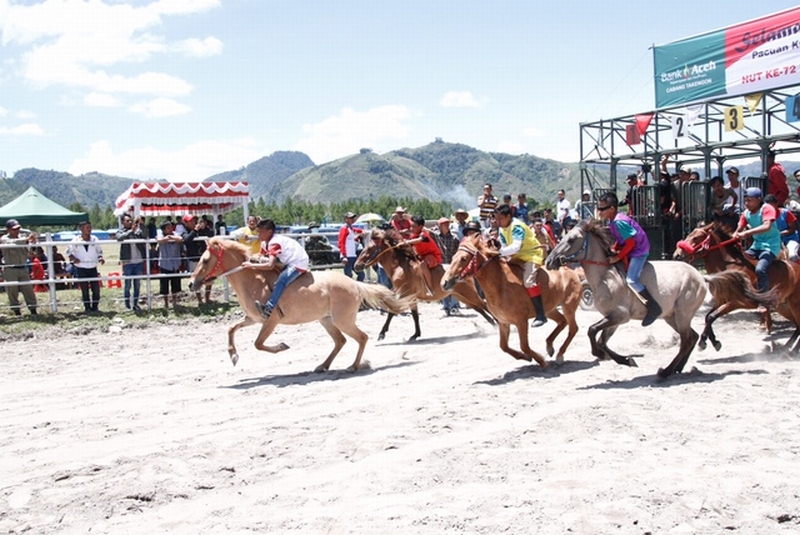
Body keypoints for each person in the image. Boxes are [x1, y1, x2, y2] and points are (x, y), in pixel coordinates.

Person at [596, 193, 662, 326]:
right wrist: (615, 248)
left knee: (631, 280)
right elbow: (621, 240)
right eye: (599, 208)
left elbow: (631, 243)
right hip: (632, 248)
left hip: (639, 251)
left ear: (612, 209)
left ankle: (653, 307)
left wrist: (617, 257)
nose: (599, 211)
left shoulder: (619, 222)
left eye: (602, 209)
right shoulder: (613, 221)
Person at [493, 204, 548, 327]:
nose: (497, 221)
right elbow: (504, 245)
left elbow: (516, 247)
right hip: (516, 256)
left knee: (528, 282)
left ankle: (540, 314)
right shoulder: (502, 228)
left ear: (508, 216)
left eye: (500, 219)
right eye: (496, 219)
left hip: (531, 255)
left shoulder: (517, 226)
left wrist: (500, 252)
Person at [249, 218, 310, 320]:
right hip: (290, 261)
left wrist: (251, 266)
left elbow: (270, 265)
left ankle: (269, 308)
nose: (258, 234)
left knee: (282, 280)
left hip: (298, 262)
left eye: (261, 232)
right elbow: (259, 255)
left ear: (269, 232)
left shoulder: (274, 243)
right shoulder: (265, 243)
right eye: (258, 232)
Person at [733, 187, 781, 303]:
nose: (746, 203)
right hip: (757, 246)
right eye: (745, 200)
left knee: (760, 269)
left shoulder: (767, 208)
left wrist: (747, 232)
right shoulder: (746, 213)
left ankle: (764, 299)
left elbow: (767, 226)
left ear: (759, 200)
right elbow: (738, 228)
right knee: (740, 263)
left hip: (771, 246)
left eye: (749, 200)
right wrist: (735, 234)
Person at [1, 220, 38, 315]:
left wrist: (33, 244)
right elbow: (10, 242)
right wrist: (26, 240)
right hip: (10, 268)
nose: (17, 231)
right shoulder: (4, 238)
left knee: (28, 290)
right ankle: (16, 311)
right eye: (14, 229)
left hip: (23, 267)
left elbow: (30, 252)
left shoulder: (22, 238)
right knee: (12, 291)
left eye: (18, 228)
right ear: (8, 230)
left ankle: (33, 309)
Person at [67, 220, 105, 313]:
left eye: (90, 227)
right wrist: (74, 259)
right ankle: (87, 308)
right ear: (81, 229)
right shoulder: (75, 240)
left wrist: (100, 258)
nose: (89, 229)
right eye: (87, 227)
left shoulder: (94, 239)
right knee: (84, 289)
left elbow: (99, 251)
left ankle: (95, 307)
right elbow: (69, 252)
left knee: (96, 289)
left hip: (92, 267)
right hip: (81, 267)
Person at [403, 215, 442, 297]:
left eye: (414, 226)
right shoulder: (413, 236)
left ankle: (430, 288)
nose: (411, 228)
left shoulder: (424, 234)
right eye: (411, 226)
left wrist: (406, 242)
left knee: (423, 265)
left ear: (420, 226)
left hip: (433, 256)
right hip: (422, 256)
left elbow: (418, 240)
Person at [116, 213, 146, 311]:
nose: (129, 222)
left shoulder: (137, 231)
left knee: (137, 285)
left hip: (138, 261)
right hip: (128, 262)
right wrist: (130, 231)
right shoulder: (121, 231)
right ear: (122, 222)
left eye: (130, 220)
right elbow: (119, 237)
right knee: (127, 284)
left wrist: (141, 224)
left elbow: (145, 234)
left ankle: (135, 304)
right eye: (127, 221)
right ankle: (127, 305)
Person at [182, 214, 213, 304]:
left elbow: (211, 234)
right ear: (186, 223)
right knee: (196, 279)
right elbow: (187, 240)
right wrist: (195, 231)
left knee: (209, 278)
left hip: (204, 258)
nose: (193, 222)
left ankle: (207, 298)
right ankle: (200, 300)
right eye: (190, 221)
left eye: (194, 220)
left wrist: (204, 228)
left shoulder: (202, 231)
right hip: (194, 259)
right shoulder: (185, 232)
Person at [433, 216, 461, 315]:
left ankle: (454, 306)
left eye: (447, 224)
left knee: (454, 285)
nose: (446, 226)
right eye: (443, 224)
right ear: (439, 226)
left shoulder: (454, 237)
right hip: (441, 264)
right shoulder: (436, 236)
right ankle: (446, 306)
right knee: (443, 285)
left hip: (451, 264)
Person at [765, 193, 800, 261]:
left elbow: (792, 229)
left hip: (790, 239)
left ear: (777, 204)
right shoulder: (764, 215)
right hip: (774, 240)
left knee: (792, 255)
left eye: (772, 205)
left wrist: (780, 233)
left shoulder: (785, 213)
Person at [157, 221, 183, 308]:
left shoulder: (175, 234)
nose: (170, 229)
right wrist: (168, 238)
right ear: (163, 230)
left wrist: (170, 237)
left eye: (171, 227)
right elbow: (160, 240)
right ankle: (166, 303)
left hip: (175, 264)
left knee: (175, 284)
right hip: (165, 264)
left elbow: (180, 239)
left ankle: (175, 302)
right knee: (164, 285)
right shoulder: (160, 234)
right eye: (168, 228)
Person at [338, 211, 364, 281]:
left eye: (353, 218)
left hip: (352, 255)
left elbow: (355, 232)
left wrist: (361, 232)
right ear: (346, 219)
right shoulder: (344, 228)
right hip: (347, 256)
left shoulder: (350, 228)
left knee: (361, 274)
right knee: (348, 276)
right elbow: (341, 243)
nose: (353, 219)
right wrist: (344, 256)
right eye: (351, 218)